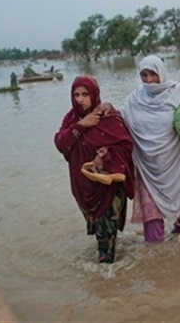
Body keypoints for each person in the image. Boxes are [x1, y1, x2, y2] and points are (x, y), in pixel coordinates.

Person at [118, 55, 180, 243]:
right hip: (148, 168)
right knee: (153, 234)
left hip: (178, 164)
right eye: (144, 75)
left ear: (161, 73)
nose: (148, 80)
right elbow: (121, 118)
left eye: (152, 74)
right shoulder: (135, 98)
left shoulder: (179, 92)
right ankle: (158, 261)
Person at [54, 76, 134, 263]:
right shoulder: (72, 118)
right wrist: (82, 125)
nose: (79, 99)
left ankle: (105, 283)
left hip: (108, 187)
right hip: (83, 186)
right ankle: (105, 271)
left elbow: (125, 145)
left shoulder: (109, 118)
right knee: (100, 232)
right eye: (76, 94)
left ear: (94, 94)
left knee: (107, 234)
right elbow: (60, 143)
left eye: (85, 94)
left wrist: (104, 154)